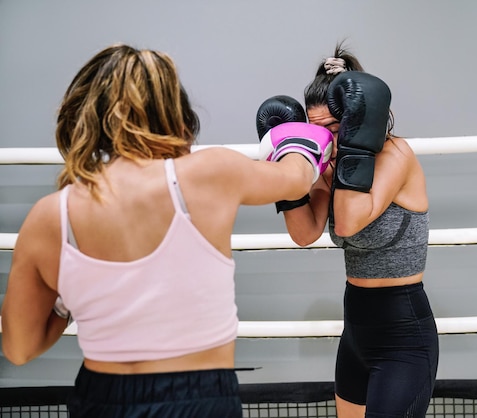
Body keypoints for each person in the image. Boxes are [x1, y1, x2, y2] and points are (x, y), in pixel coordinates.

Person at [1, 43, 333, 417]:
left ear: (85, 115)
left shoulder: (50, 216)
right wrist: (305, 138)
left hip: (99, 397)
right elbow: (297, 177)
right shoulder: (210, 174)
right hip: (200, 396)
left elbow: (19, 347)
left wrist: (68, 298)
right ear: (175, 111)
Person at [274, 43, 439, 418]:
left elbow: (348, 221)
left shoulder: (396, 157)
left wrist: (349, 151)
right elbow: (304, 233)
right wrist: (293, 165)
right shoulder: (327, 167)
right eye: (320, 133)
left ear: (359, 120)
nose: (330, 141)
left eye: (337, 128)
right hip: (356, 334)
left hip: (403, 336)